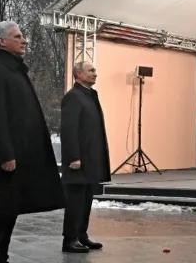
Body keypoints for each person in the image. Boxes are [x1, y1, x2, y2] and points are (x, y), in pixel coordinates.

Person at [0, 20, 65, 262]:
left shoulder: (14, 71)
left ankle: (1, 257)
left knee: (9, 212)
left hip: (20, 156)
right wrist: (4, 155)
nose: (24, 40)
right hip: (4, 160)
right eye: (17, 36)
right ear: (1, 41)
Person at [60, 61, 111, 253]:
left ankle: (81, 236)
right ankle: (69, 240)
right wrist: (74, 156)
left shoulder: (89, 96)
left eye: (95, 70)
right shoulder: (73, 97)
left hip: (90, 161)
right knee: (75, 201)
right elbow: (69, 129)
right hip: (78, 161)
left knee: (86, 199)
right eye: (91, 71)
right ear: (79, 74)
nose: (95, 74)